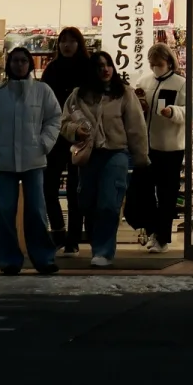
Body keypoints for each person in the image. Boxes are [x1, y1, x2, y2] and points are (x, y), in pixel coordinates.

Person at [0, 45, 62, 276]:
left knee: (36, 210)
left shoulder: (43, 91)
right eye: (15, 60)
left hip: (33, 159)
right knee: (5, 211)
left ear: (30, 64)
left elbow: (55, 118)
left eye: (23, 60)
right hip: (5, 160)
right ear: (8, 64)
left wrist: (44, 143)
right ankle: (9, 260)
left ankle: (44, 258)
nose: (19, 64)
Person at [61, 49, 149, 267]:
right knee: (88, 202)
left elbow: (136, 128)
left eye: (108, 64)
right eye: (100, 66)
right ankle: (97, 246)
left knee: (109, 203)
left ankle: (103, 251)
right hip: (88, 155)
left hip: (116, 154)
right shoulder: (78, 95)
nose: (105, 69)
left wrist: (141, 159)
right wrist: (75, 132)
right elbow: (64, 123)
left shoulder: (124, 94)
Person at [41, 26, 91, 253]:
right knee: (48, 185)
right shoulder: (51, 69)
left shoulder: (88, 68)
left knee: (75, 188)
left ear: (79, 44)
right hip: (55, 133)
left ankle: (73, 239)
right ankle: (58, 230)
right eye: (63, 41)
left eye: (72, 40)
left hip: (80, 134)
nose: (67, 44)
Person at [137, 42, 186, 253]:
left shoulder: (181, 84)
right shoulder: (143, 81)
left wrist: (173, 112)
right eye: (152, 64)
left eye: (159, 63)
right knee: (146, 193)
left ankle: (163, 238)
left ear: (168, 62)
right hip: (146, 146)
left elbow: (189, 111)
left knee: (167, 195)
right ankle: (152, 232)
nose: (155, 67)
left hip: (171, 148)